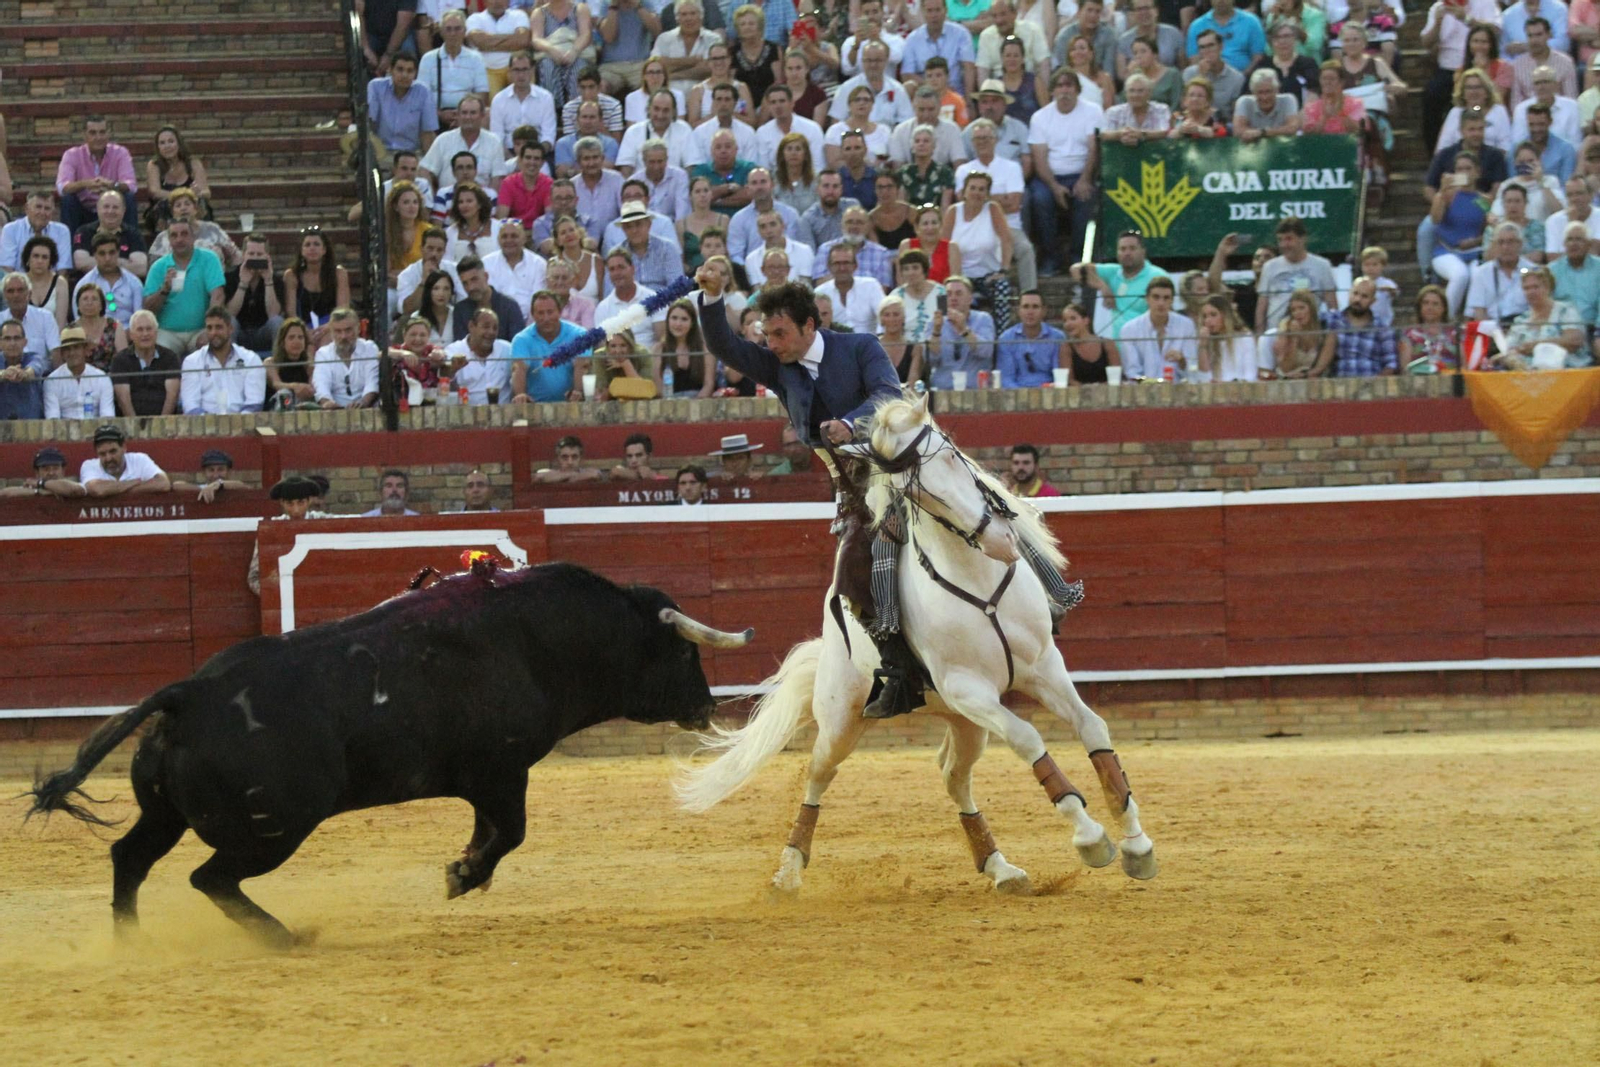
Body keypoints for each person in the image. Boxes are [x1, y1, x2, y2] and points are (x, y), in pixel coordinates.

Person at [1027, 71, 1100, 275]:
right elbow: (1039, 157)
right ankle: (1050, 258)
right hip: (1050, 176)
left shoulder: (1092, 111)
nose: (1064, 90)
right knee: (1040, 199)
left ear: (1077, 90)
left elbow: (1094, 149)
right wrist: (1054, 186)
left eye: (1069, 86)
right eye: (1059, 86)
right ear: (1052, 91)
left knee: (1086, 197)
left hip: (1082, 173)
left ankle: (1079, 258)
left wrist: (1085, 179)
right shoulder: (1040, 118)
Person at [141, 218, 225, 354]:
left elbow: (218, 296)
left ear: (193, 237)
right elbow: (148, 309)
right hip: (167, 332)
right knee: (158, 352)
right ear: (169, 240)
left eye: (184, 234)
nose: (179, 239)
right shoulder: (158, 267)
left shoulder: (209, 259)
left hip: (200, 329)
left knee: (213, 343)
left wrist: (210, 329)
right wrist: (164, 290)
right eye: (174, 235)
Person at [1077, 230, 1170, 341]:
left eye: (1132, 248)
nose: (1127, 253)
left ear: (1143, 251)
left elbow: (1167, 313)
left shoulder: (1157, 276)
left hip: (1148, 343)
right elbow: (1075, 270)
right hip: (1118, 347)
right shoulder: (1113, 272)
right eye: (1123, 249)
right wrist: (1103, 286)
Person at [247, 477, 331, 596]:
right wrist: (274, 597)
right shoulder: (271, 530)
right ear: (282, 502)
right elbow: (254, 576)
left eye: (300, 502)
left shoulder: (325, 522)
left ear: (309, 500)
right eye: (290, 504)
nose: (296, 510)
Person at [55, 116, 137, 234]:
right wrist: (85, 184)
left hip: (111, 209)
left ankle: (132, 245)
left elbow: (131, 185)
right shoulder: (72, 154)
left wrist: (113, 186)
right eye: (93, 133)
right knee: (68, 199)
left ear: (108, 134)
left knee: (128, 197)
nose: (98, 137)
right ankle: (71, 248)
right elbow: (62, 187)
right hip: (83, 211)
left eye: (102, 132)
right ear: (85, 135)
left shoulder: (120, 153)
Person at [1255, 216, 1337, 334]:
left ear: (1302, 239)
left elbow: (1332, 307)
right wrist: (1260, 337)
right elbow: (1261, 308)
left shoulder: (1322, 266)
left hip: (1309, 337)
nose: (1284, 244)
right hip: (1276, 337)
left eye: (1289, 239)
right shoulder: (1269, 267)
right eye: (1280, 240)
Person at [1499, 266, 1589, 367]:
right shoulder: (1521, 320)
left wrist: (1537, 346)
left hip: (1567, 373)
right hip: (1526, 375)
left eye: (1536, 287)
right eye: (1526, 288)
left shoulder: (1565, 310)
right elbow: (1508, 350)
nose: (1531, 292)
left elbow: (1574, 341)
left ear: (1548, 288)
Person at [180, 309, 267, 414]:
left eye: (219, 327)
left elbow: (255, 403)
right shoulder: (192, 362)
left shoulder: (251, 359)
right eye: (209, 328)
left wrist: (236, 424)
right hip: (203, 426)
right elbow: (190, 405)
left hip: (243, 425)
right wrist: (210, 423)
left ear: (230, 329)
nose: (213, 333)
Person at [512, 290, 589, 402]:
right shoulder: (522, 339)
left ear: (560, 312)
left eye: (550, 312)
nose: (546, 318)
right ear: (533, 315)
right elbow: (518, 368)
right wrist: (520, 395)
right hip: (534, 406)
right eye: (541, 313)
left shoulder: (579, 335)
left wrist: (577, 392)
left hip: (570, 404)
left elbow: (581, 366)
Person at [1118, 276, 1200, 380]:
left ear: (1172, 301)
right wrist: (1154, 384)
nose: (1161, 303)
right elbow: (1132, 372)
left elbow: (1192, 371)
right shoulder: (1129, 330)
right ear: (1147, 299)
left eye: (1166, 298)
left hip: (1177, 390)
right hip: (1142, 391)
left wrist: (1182, 361)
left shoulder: (1186, 325)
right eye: (1156, 297)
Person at [281, 226, 351, 347]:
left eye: (316, 244)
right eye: (307, 245)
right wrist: (304, 331)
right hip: (303, 325)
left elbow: (343, 309)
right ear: (301, 251)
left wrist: (328, 327)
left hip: (332, 323)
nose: (312, 248)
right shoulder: (292, 275)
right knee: (308, 347)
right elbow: (291, 313)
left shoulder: (339, 273)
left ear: (324, 249)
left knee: (326, 342)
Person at [420, 9, 491, 124]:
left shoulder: (476, 58)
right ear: (441, 32)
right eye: (448, 29)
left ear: (464, 31)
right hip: (434, 117)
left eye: (457, 29)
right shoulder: (428, 59)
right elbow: (421, 96)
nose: (453, 33)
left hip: (468, 116)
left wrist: (463, 115)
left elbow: (482, 94)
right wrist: (439, 114)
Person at [143, 125, 214, 231]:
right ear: (158, 147)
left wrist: (198, 193)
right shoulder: (154, 165)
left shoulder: (193, 163)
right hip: (165, 210)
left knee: (200, 203)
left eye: (171, 141)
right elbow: (154, 192)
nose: (167, 146)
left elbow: (206, 192)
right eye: (162, 143)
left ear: (179, 144)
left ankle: (201, 238)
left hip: (190, 208)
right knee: (164, 206)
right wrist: (181, 197)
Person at [368, 51, 441, 154]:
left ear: (415, 74)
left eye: (410, 71)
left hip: (411, 154)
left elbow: (427, 133)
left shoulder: (423, 91)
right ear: (390, 70)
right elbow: (370, 124)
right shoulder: (376, 87)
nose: (404, 75)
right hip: (381, 153)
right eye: (400, 69)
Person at [311, 308, 383, 409]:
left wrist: (363, 403)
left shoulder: (369, 348)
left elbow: (372, 382)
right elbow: (321, 384)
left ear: (358, 329)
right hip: (334, 412)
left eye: (348, 330)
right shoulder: (323, 354)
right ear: (331, 333)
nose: (343, 336)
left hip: (367, 409)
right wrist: (327, 402)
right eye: (338, 331)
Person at [1467, 223, 1538, 322]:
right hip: (1494, 329)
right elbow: (1478, 312)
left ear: (1520, 244)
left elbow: (1541, 307)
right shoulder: (1481, 273)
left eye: (1511, 242)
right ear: (1494, 246)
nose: (1505, 247)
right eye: (1500, 242)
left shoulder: (1534, 271)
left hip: (1526, 328)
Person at [444, 306, 515, 404]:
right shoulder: (453, 350)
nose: (491, 332)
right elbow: (443, 386)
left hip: (502, 415)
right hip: (466, 414)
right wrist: (452, 369)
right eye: (486, 327)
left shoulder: (507, 349)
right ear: (471, 326)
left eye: (495, 328)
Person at [78, 423, 169, 498]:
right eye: (102, 454)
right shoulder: (89, 465)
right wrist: (134, 482)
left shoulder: (139, 459)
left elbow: (163, 483)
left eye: (113, 451)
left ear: (124, 448)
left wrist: (114, 490)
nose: (108, 458)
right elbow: (97, 490)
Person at [995, 290, 1064, 387]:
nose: (1030, 312)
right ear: (1018, 310)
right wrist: (1023, 396)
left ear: (1044, 311)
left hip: (1049, 393)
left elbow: (1059, 376)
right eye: (1025, 307)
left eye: (1035, 307)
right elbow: (1006, 379)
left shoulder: (1058, 337)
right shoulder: (1006, 338)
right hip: (1016, 395)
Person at [43, 328, 115, 419]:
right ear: (62, 354)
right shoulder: (52, 381)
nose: (72, 353)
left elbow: (107, 416)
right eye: (67, 349)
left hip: (97, 431)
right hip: (63, 431)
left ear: (85, 350)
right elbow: (53, 419)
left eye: (76, 347)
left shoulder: (102, 378)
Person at [452, 254, 526, 342]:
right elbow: (461, 347)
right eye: (465, 283)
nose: (470, 287)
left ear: (486, 276)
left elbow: (517, 344)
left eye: (474, 279)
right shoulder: (461, 310)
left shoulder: (509, 306)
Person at [1251, 18, 1321, 107]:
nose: (1282, 41)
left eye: (1287, 36)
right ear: (1271, 42)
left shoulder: (1308, 64)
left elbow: (1314, 94)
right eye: (1277, 37)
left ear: (1295, 39)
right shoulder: (1263, 65)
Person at [0, 192, 73, 273]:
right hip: (19, 282)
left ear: (53, 212)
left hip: (51, 283)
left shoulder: (62, 231)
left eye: (47, 208)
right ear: (26, 208)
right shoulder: (11, 229)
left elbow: (63, 269)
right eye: (38, 207)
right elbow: (6, 267)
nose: (42, 212)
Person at [1268, 289, 1335, 378]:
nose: (1297, 313)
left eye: (1301, 308)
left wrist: (1304, 375)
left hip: (1314, 380)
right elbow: (1285, 368)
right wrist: (1294, 338)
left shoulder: (1326, 330)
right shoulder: (1286, 328)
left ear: (1311, 308)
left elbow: (1320, 368)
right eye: (1293, 310)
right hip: (1288, 380)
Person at [1550, 220, 1600, 331]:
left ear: (1589, 245)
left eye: (1579, 239)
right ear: (1564, 244)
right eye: (1569, 239)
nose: (1573, 244)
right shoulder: (1552, 271)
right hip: (1561, 330)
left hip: (1593, 328)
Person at [1399, 285, 1462, 372]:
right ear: (1420, 307)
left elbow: (1464, 366)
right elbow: (1405, 369)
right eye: (1425, 303)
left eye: (1435, 304)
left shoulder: (1455, 333)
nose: (1430, 308)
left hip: (1452, 380)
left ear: (1443, 308)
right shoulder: (1409, 334)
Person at [1183, 29, 1245, 115]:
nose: (1207, 51)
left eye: (1211, 45)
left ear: (1221, 47)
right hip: (1195, 120)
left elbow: (1235, 112)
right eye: (1202, 47)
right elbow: (1188, 107)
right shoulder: (1189, 73)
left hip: (1224, 123)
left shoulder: (1236, 77)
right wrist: (1201, 76)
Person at [1059, 300, 1118, 384]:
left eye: (1073, 318)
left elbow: (1116, 377)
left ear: (1086, 320)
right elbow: (1069, 380)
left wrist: (1099, 389)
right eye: (1065, 320)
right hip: (1079, 394)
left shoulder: (1107, 344)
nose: (1068, 324)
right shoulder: (1066, 348)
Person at [69, 283, 125, 372]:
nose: (89, 303)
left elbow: (124, 359)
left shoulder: (115, 326)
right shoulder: (70, 330)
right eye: (85, 299)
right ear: (78, 306)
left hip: (111, 378)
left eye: (94, 299)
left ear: (101, 305)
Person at [265, 317, 318, 410]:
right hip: (277, 408)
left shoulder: (308, 364)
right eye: (291, 337)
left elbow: (312, 388)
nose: (296, 341)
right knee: (285, 393)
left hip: (303, 407)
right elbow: (276, 384)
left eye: (300, 337)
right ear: (282, 342)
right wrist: (295, 387)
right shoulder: (270, 362)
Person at [1234, 68, 1301, 141]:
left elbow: (1292, 128)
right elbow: (1238, 131)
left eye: (1268, 92)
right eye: (1260, 92)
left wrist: (1261, 132)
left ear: (1277, 90)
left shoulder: (1288, 99)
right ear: (1253, 93)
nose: (1264, 97)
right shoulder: (1244, 101)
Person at [0, 319, 47, 420]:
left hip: (32, 430)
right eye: (7, 339)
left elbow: (34, 369)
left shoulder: (34, 357)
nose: (12, 343)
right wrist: (3, 374)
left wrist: (23, 374)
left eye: (16, 338)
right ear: (0, 343)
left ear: (25, 342)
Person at [21, 237, 70, 333]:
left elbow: (61, 323)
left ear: (50, 261)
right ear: (28, 258)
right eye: (36, 256)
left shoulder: (60, 283)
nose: (40, 261)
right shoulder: (19, 281)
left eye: (44, 257)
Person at [168, 448, 252, 503]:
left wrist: (220, 484)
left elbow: (243, 486)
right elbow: (176, 485)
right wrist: (204, 489)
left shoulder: (235, 487)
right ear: (204, 473)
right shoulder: (203, 487)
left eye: (220, 469)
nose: (215, 475)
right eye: (211, 470)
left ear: (229, 472)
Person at [0, 447, 85, 499]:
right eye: (46, 469)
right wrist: (38, 492)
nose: (51, 473)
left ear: (63, 470)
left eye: (55, 468)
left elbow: (76, 490)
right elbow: (4, 493)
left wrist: (41, 485)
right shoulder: (32, 488)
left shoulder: (73, 484)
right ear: (37, 472)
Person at [876, 294, 924, 383]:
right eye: (887, 315)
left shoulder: (915, 348)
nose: (892, 319)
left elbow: (912, 383)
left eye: (896, 314)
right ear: (881, 319)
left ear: (903, 318)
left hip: (906, 396)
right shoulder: (872, 346)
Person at [534, 434, 603, 481]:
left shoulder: (588, 471)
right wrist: (572, 475)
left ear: (581, 459)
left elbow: (596, 474)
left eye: (574, 457)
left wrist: (564, 477)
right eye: (565, 457)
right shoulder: (550, 473)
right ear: (557, 459)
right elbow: (538, 477)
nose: (570, 462)